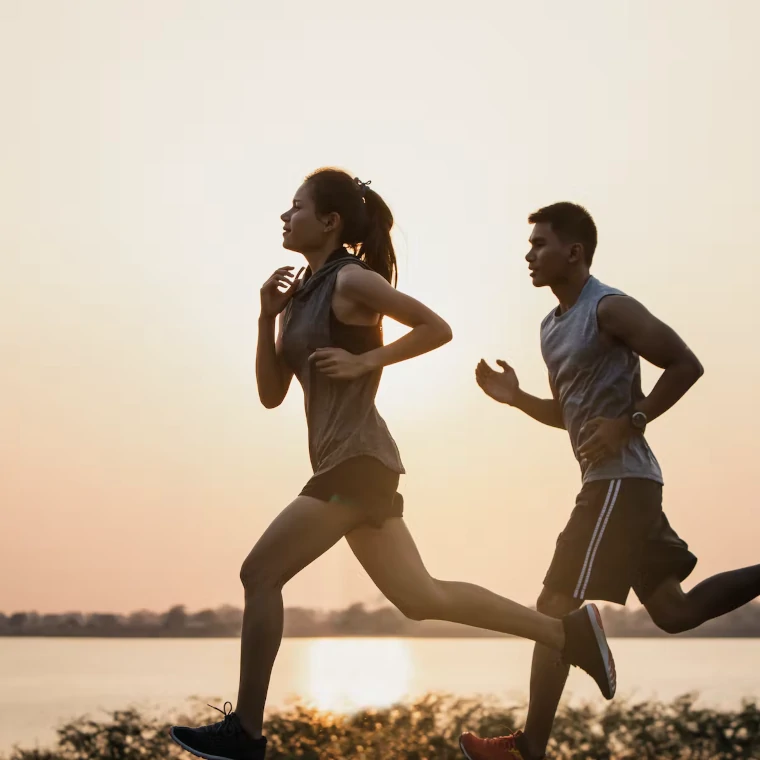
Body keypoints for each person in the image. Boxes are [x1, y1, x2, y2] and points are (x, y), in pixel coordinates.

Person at [170, 174, 616, 760]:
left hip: (357, 463)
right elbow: (272, 393)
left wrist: (367, 362)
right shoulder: (298, 294)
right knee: (422, 598)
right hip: (348, 463)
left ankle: (246, 732)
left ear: (329, 222)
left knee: (260, 573)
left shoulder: (351, 279)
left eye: (297, 207)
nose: (285, 215)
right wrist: (264, 318)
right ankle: (564, 632)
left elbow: (437, 327)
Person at [459, 202, 760, 760]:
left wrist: (632, 421)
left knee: (552, 605)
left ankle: (529, 748)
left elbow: (685, 363)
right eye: (529, 245)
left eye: (541, 244)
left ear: (574, 252)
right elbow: (568, 416)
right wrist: (516, 398)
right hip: (622, 482)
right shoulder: (551, 327)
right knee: (674, 612)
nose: (529, 255)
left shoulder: (609, 307)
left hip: (620, 482)